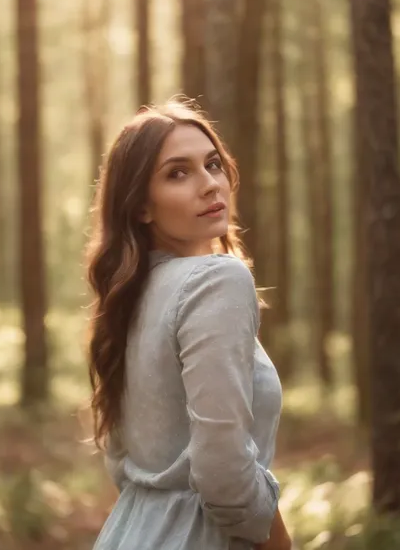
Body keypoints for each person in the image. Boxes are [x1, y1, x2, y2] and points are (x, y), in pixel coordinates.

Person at [85, 99, 291, 550]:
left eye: (213, 164)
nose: (209, 185)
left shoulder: (128, 297)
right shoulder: (218, 279)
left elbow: (123, 460)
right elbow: (222, 467)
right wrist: (277, 540)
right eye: (178, 173)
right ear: (140, 205)